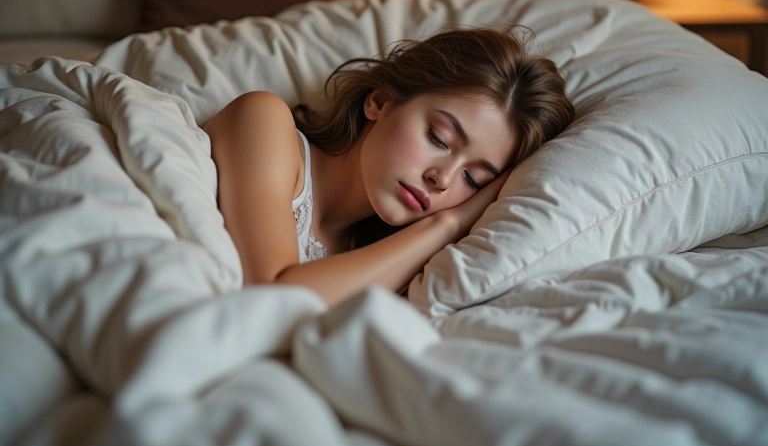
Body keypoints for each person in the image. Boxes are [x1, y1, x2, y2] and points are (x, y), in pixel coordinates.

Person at [205, 26, 574, 306]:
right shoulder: (263, 120)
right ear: (380, 102)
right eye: (439, 137)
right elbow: (272, 301)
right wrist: (447, 224)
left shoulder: (394, 260)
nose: (442, 179)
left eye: (473, 179)